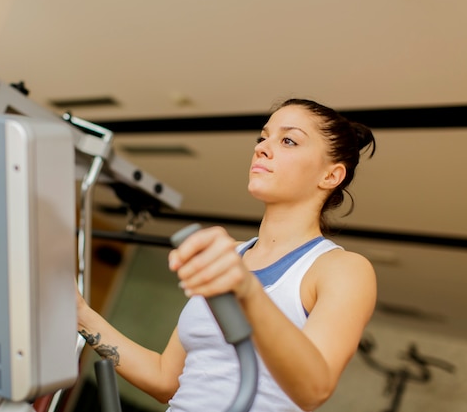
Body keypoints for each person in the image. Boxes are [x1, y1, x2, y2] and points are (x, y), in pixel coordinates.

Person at [76, 98, 377, 412]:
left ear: (330, 176)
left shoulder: (340, 269)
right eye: (263, 137)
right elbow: (166, 379)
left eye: (288, 140)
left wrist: (245, 289)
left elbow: (315, 388)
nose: (262, 147)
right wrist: (81, 314)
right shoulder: (230, 257)